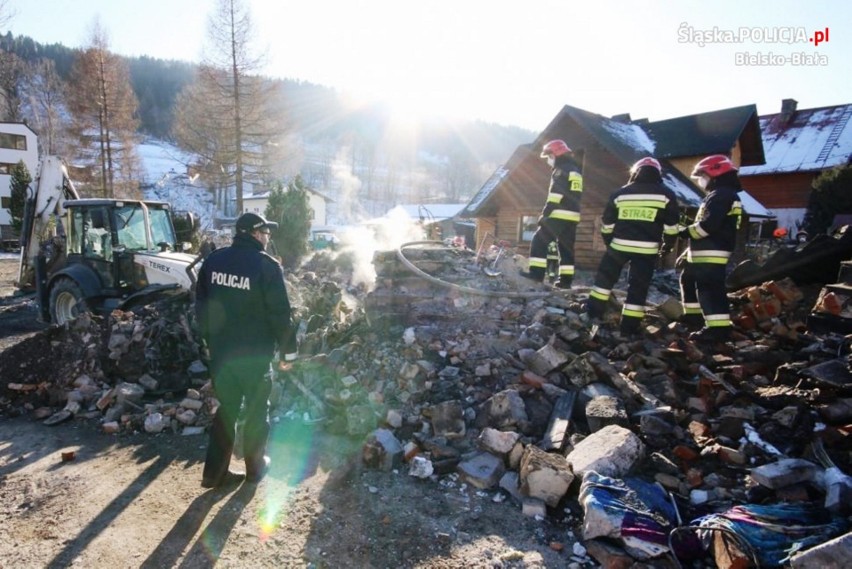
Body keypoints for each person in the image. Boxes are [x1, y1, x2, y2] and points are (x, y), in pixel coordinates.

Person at [195, 212, 298, 488]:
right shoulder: (266, 266)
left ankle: (213, 474)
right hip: (254, 358)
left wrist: (206, 343)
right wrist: (288, 353)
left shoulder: (214, 261)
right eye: (265, 232)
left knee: (226, 410)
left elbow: (201, 308)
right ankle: (254, 468)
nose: (268, 237)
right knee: (256, 411)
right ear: (254, 233)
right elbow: (280, 314)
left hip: (222, 357)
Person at [587, 157, 679, 336]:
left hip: (618, 246)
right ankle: (628, 327)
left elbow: (607, 224)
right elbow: (671, 227)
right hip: (647, 250)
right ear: (657, 174)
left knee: (604, 281)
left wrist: (609, 242)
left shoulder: (620, 193)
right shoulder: (666, 194)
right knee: (638, 288)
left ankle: (592, 313)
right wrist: (667, 247)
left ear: (635, 172)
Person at [678, 155, 743, 343]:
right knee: (688, 278)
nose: (701, 180)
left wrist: (683, 232)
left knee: (709, 289)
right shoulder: (719, 195)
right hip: (704, 251)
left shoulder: (722, 195)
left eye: (702, 175)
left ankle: (717, 329)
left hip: (712, 252)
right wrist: (687, 252)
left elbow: (707, 227)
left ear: (715, 173)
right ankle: (694, 317)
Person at [523, 139, 583, 289]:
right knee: (566, 249)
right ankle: (565, 281)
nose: (548, 160)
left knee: (538, 240)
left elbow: (556, 194)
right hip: (573, 216)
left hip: (558, 214)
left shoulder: (561, 170)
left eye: (549, 156)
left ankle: (536, 274)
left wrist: (545, 214)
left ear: (556, 154)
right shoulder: (575, 170)